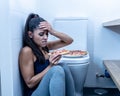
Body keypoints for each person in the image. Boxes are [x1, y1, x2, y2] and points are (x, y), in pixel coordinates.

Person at [19, 13, 75, 96]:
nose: (45, 37)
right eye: (41, 34)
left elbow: (69, 40)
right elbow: (29, 83)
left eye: (47, 34)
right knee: (57, 70)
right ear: (30, 34)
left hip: (46, 90)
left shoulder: (44, 46)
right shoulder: (27, 51)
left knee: (63, 65)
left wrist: (52, 31)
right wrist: (51, 66)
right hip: (34, 93)